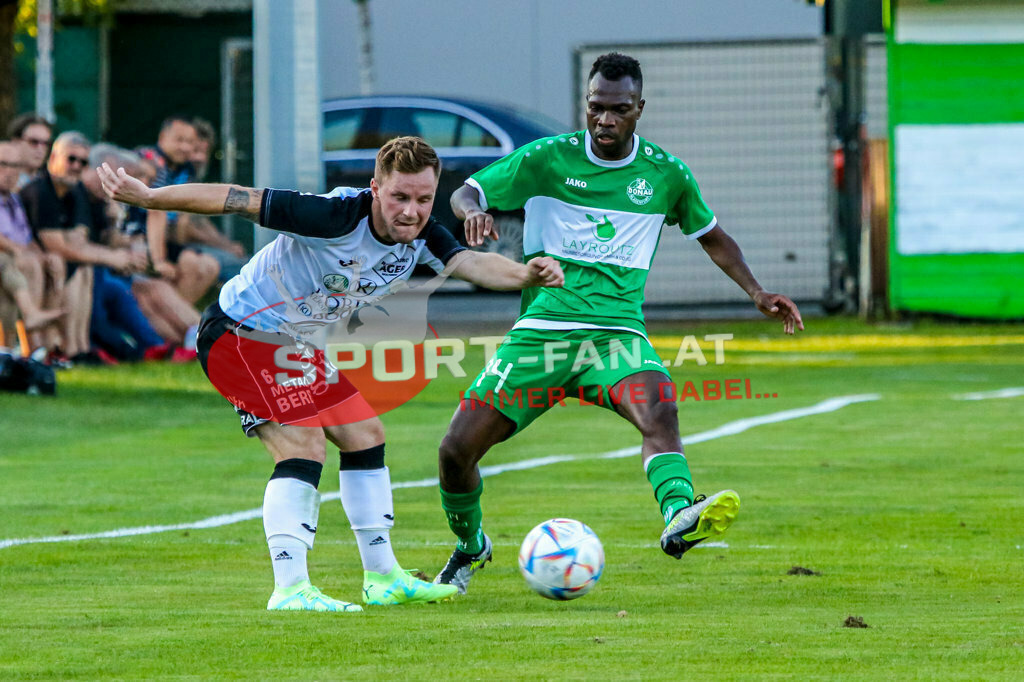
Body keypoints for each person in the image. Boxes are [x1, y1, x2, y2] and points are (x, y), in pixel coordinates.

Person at [98, 135, 565, 612]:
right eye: (399, 197)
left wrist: (526, 274)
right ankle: (291, 589)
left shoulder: (422, 233)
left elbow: (469, 263)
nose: (412, 211)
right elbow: (235, 198)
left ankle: (383, 578)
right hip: (238, 332)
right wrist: (151, 197)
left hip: (289, 343)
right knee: (304, 444)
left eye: (424, 199)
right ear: (375, 189)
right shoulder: (333, 216)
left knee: (365, 432)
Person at [433, 52, 804, 593]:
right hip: (543, 335)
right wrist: (471, 211)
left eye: (618, 110)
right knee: (454, 451)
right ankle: (470, 548)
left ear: (639, 109)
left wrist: (757, 291)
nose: (604, 120)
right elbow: (466, 191)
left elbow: (713, 237)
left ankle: (681, 513)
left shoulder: (665, 173)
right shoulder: (546, 159)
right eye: (594, 108)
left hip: (617, 338)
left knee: (660, 409)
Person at [21, 131, 146, 364]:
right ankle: (60, 348)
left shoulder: (74, 191)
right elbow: (57, 245)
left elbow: (80, 240)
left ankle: (78, 347)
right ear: (54, 158)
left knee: (85, 269)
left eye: (83, 162)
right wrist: (112, 258)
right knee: (79, 268)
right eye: (71, 159)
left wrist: (112, 227)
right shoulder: (41, 190)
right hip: (36, 264)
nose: (77, 166)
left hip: (61, 264)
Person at [138, 117, 220, 303]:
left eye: (190, 142)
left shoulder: (186, 170)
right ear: (162, 137)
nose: (185, 147)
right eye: (179, 140)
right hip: (139, 237)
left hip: (167, 239)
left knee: (209, 266)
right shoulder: (150, 161)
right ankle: (177, 323)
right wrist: (159, 260)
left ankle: (177, 322)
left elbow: (186, 218)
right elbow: (155, 211)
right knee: (191, 264)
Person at [0, 141, 64, 349]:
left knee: (53, 262)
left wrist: (43, 255)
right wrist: (16, 250)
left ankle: (51, 344)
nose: (10, 172)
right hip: (7, 258)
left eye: (15, 166)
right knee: (22, 264)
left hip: (13, 260)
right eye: (3, 164)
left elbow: (27, 238)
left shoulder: (14, 200)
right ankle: (32, 343)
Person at [6, 114, 53, 189]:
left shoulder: (52, 186)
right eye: (34, 142)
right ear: (15, 142)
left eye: (46, 143)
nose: (40, 148)